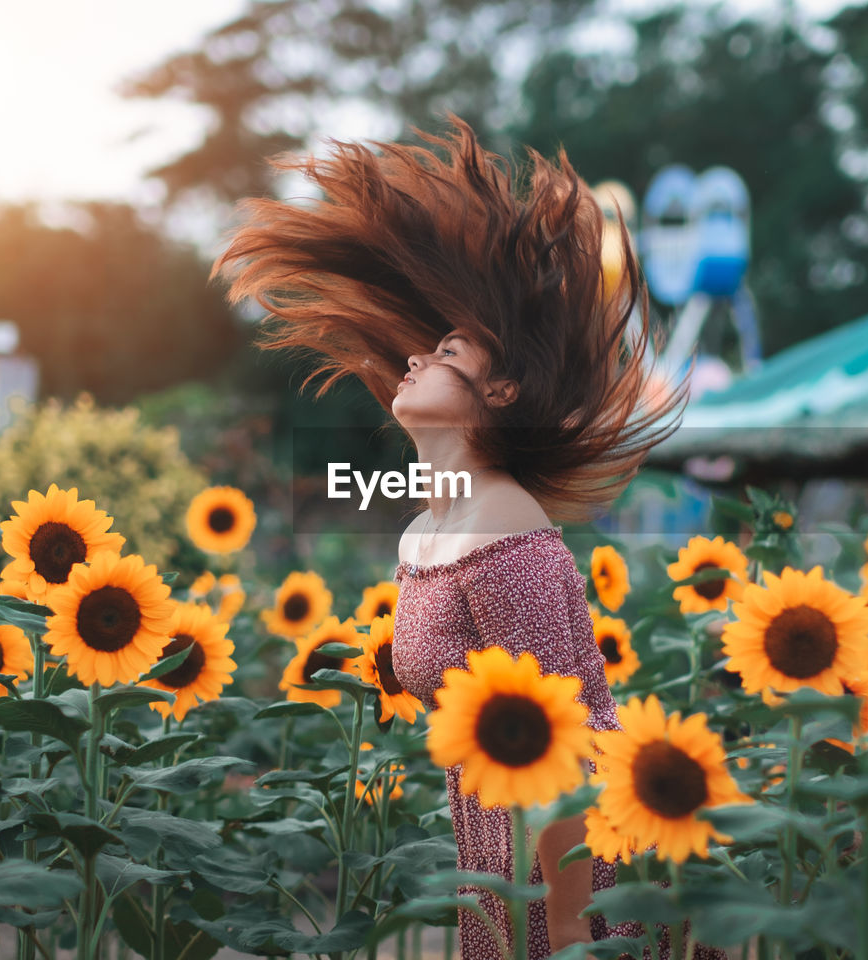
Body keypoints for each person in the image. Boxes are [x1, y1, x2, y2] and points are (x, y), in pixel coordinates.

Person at [212, 115, 727, 960]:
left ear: (504, 392)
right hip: (494, 846)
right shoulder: (431, 525)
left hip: (566, 869)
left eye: (447, 351)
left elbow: (569, 739)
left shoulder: (504, 523)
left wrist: (568, 929)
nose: (414, 361)